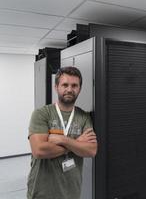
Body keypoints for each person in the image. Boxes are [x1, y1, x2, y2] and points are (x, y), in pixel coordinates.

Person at [27, 66, 98, 199]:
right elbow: (39, 150)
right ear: (56, 87)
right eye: (65, 85)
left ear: (79, 89)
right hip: (41, 193)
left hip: (71, 193)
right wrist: (77, 143)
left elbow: (91, 150)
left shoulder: (84, 117)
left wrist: (63, 140)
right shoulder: (42, 114)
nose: (69, 89)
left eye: (74, 85)